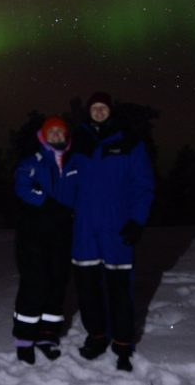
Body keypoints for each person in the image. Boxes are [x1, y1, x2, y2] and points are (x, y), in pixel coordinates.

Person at [70, 92, 155, 372]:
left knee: (120, 290)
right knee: (88, 290)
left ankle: (122, 344)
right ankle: (96, 338)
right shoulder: (77, 141)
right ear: (88, 111)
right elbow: (63, 180)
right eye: (94, 107)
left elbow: (143, 185)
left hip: (116, 228)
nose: (98, 111)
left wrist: (136, 220)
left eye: (103, 107)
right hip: (84, 230)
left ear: (111, 111)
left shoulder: (129, 142)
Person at [11, 115, 78, 364]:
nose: (57, 136)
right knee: (34, 285)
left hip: (61, 236)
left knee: (57, 285)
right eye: (52, 133)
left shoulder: (73, 165)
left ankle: (47, 337)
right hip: (34, 235)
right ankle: (24, 340)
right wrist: (46, 203)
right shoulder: (33, 161)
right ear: (44, 136)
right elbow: (21, 185)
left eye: (61, 132)